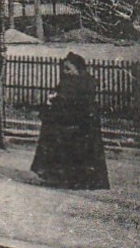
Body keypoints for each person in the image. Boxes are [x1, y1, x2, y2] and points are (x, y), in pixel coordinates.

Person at [30, 52, 110, 190]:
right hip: (66, 118)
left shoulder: (87, 81)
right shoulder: (66, 81)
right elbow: (60, 96)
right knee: (51, 134)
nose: (65, 71)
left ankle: (79, 179)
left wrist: (59, 100)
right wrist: (52, 99)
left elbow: (82, 103)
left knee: (78, 146)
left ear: (77, 67)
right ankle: (55, 176)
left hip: (82, 122)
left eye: (69, 68)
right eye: (64, 68)